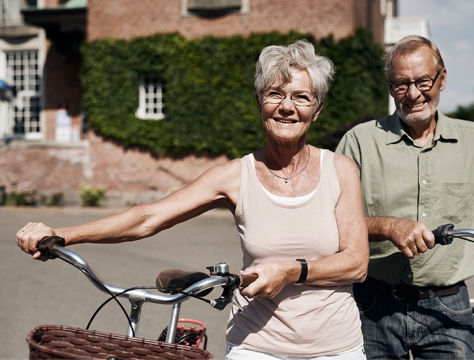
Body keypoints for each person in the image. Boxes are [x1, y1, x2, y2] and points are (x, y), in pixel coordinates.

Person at [17, 40, 369, 360]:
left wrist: (292, 270)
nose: (287, 107)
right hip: (257, 347)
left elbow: (356, 263)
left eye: (301, 97)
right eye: (275, 93)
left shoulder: (340, 170)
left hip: (336, 348)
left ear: (317, 109)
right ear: (259, 102)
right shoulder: (234, 176)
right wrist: (63, 235)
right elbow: (148, 217)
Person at [336, 35, 474, 360]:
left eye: (422, 81)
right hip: (373, 302)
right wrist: (387, 226)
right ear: (390, 86)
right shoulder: (359, 142)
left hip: (449, 306)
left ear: (442, 78)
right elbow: (330, 217)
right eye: (401, 84)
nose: (413, 94)